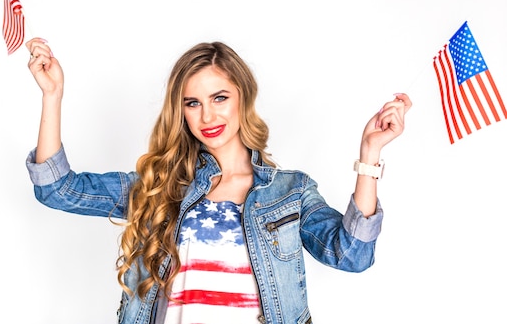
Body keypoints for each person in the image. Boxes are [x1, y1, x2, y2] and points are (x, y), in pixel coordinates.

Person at [24, 37, 412, 324]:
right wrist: (52, 96)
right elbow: (58, 190)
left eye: (219, 98)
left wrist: (369, 154)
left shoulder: (290, 192)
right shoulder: (160, 187)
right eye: (193, 103)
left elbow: (351, 255)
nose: (207, 116)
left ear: (243, 96)